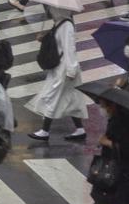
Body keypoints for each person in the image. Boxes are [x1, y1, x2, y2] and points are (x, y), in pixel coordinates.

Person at [26, 11, 88, 141]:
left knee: (52, 96)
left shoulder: (67, 26)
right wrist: (44, 38)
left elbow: (69, 48)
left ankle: (45, 131)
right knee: (71, 98)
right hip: (60, 67)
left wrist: (71, 70)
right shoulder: (59, 23)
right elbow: (57, 42)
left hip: (65, 69)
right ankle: (80, 129)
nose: (49, 10)